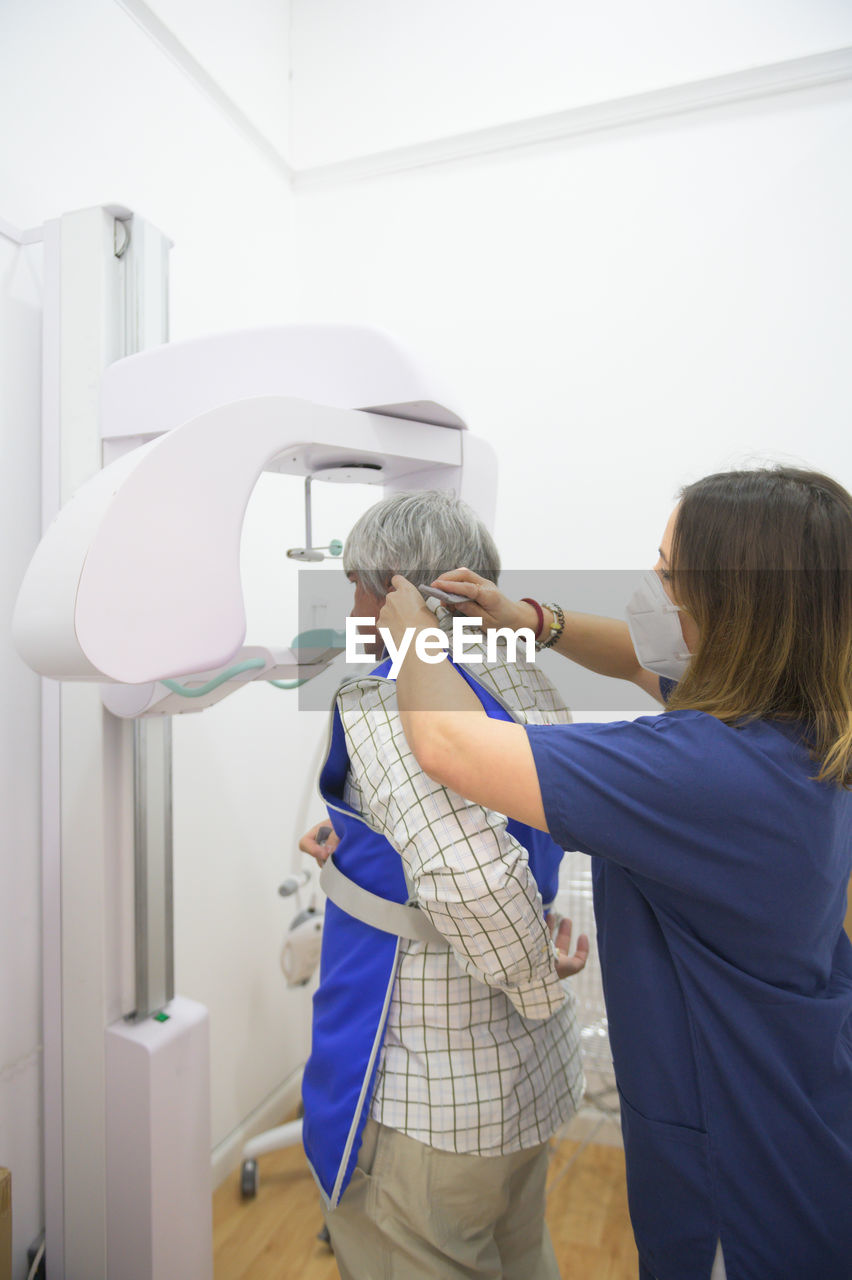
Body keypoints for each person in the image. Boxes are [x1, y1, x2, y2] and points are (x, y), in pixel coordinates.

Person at [377, 466, 852, 1280]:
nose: (651, 588)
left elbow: (448, 748)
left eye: (667, 575)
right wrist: (528, 618)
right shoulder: (799, 714)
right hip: (799, 1096)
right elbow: (644, 661)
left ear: (728, 607)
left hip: (737, 1169)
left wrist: (415, 632)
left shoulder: (701, 770)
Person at [298, 490, 589, 1280]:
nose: (351, 603)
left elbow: (470, 878)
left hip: (432, 1098)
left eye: (359, 582)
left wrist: (533, 978)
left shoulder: (391, 701)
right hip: (525, 1081)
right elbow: (498, 833)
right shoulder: (523, 678)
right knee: (521, 1252)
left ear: (393, 592)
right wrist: (359, 845)